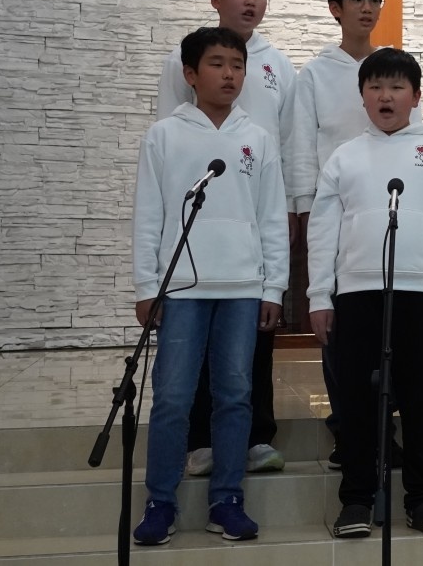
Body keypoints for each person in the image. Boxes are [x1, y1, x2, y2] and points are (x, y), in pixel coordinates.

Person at [306, 49, 423, 537]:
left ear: (416, 96)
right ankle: (357, 500)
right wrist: (320, 295)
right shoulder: (344, 156)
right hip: (356, 291)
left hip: (422, 290)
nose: (386, 96)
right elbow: (323, 230)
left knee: (422, 398)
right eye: (376, 87)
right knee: (357, 401)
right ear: (362, 96)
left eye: (397, 87)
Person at [131, 27, 289, 545]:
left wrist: (274, 287)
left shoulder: (257, 138)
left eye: (237, 65)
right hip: (181, 287)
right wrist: (147, 284)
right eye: (217, 64)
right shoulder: (164, 136)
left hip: (243, 287)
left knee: (236, 395)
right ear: (190, 74)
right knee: (172, 397)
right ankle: (160, 501)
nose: (229, 74)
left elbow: (271, 217)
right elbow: (148, 215)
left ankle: (227, 499)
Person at [156, 0, 294, 477]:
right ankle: (198, 440)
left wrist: (291, 205)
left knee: (254, 334)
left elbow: (290, 140)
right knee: (191, 350)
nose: (251, 2)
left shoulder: (278, 65)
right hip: (199, 219)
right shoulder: (186, 56)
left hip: (256, 208)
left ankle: (256, 436)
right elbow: (171, 135)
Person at [283, 0, 386, 469]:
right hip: (334, 212)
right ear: (336, 9)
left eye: (374, 0)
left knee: (385, 329)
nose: (367, 8)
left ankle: (383, 429)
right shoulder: (315, 74)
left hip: (385, 212)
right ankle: (346, 428)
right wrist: (304, 206)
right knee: (340, 327)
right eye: (357, 0)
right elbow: (302, 143)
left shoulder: (393, 67)